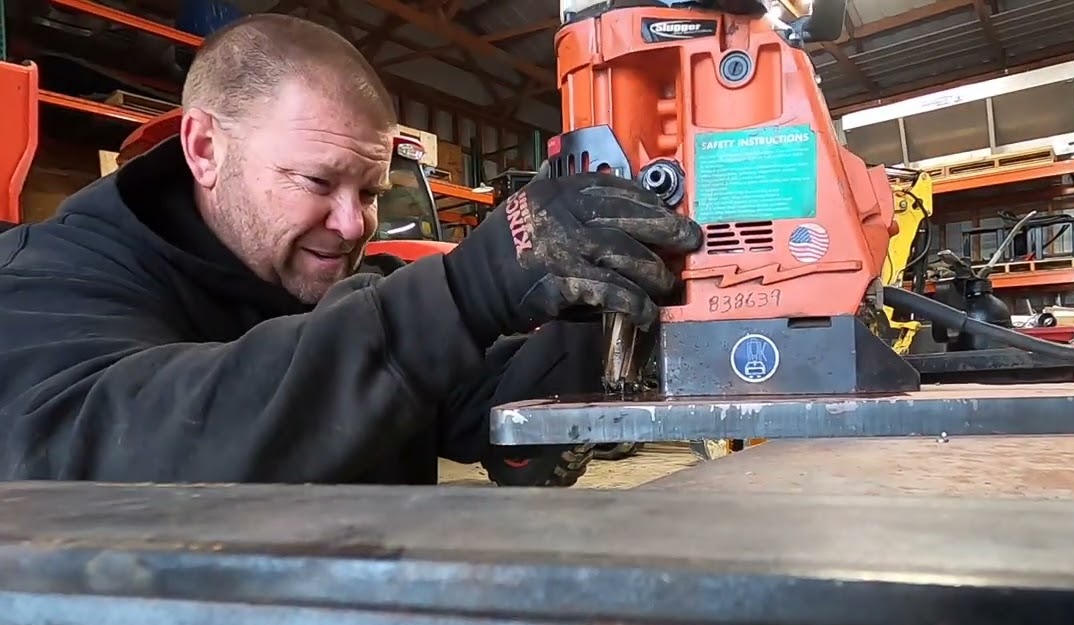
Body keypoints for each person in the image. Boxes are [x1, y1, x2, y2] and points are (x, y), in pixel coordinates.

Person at [0, 14, 701, 484]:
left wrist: (603, 314)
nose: (352, 223)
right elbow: (110, 454)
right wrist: (462, 292)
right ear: (205, 148)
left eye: (370, 191)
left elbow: (477, 400)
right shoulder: (51, 285)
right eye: (317, 181)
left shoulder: (342, 292)